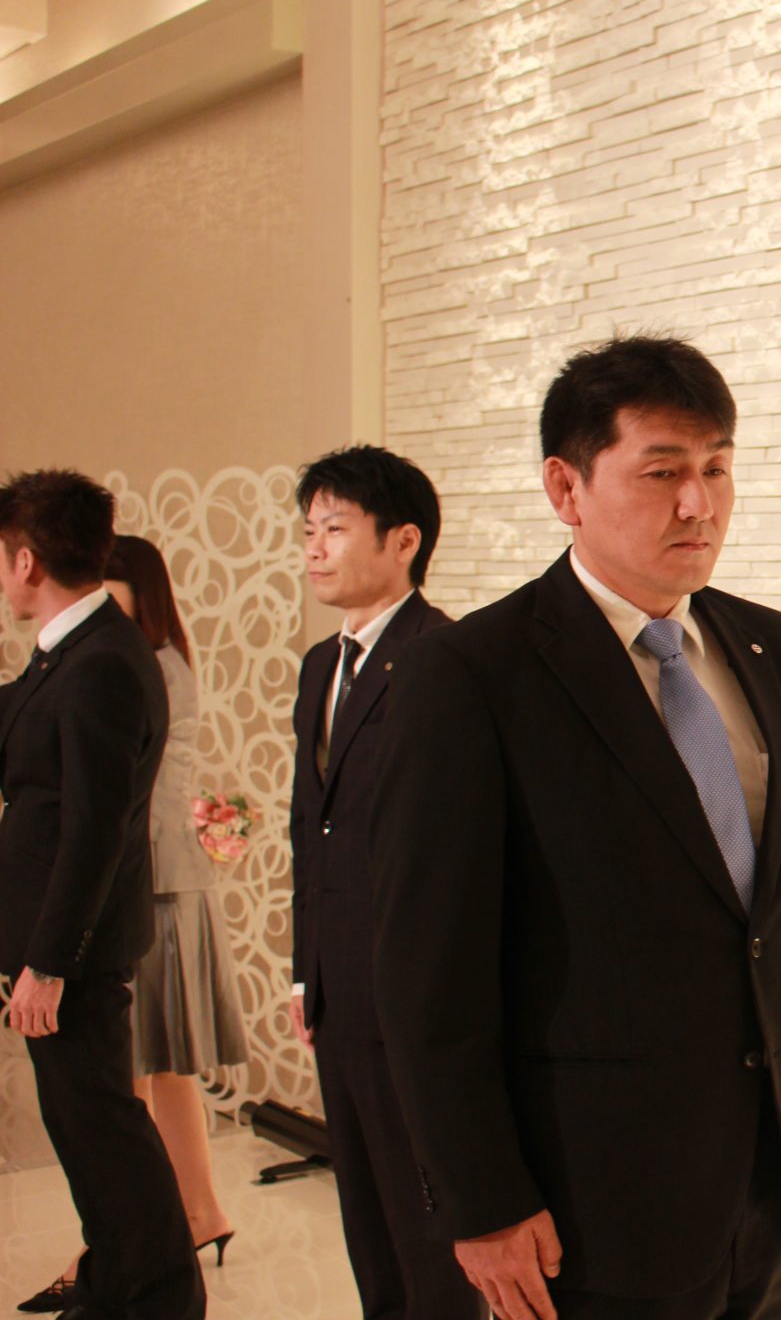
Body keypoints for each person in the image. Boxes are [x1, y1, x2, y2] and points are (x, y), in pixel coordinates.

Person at [371, 335, 781, 1320]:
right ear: (565, 488)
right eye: (662, 473)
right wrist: (481, 1197)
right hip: (596, 1197)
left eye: (716, 469)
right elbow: (427, 973)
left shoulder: (773, 645)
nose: (698, 503)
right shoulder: (473, 675)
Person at [19, 537, 253, 1314]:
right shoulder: (140, 660)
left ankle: (139, 1249)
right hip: (148, 882)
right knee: (151, 1067)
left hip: (147, 887)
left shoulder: (133, 667)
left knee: (131, 1078)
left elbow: (111, 810)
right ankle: (188, 1219)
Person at [0, 471, 205, 1320]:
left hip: (71, 952)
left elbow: (94, 830)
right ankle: (124, 1281)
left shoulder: (102, 664)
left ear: (26, 561)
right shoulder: (71, 651)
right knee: (88, 1130)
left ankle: (156, 1294)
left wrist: (48, 962)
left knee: (104, 1131)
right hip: (53, 943)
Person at [286, 446, 476, 1320]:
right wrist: (306, 969)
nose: (314, 548)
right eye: (309, 530)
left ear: (404, 541)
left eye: (335, 528)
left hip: (415, 994)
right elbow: (311, 828)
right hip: (338, 987)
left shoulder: (447, 658)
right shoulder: (320, 665)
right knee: (366, 1214)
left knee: (427, 1222)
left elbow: (459, 846)